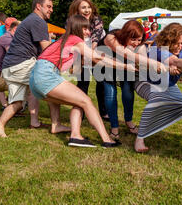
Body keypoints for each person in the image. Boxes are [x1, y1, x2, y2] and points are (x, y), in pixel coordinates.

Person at [30, 15, 134, 147]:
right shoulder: (75, 39)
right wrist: (125, 66)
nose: (88, 32)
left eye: (89, 29)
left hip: (35, 79)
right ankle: (106, 140)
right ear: (77, 27)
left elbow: (86, 61)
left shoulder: (63, 40)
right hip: (46, 75)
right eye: (85, 28)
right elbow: (96, 57)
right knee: (86, 101)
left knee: (78, 101)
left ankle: (58, 127)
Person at [134, 23, 182, 153]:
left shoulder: (180, 50)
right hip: (146, 83)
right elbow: (176, 62)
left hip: (168, 86)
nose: (180, 47)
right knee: (157, 99)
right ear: (169, 40)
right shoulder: (158, 48)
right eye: (177, 43)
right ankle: (140, 139)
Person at [0, 0, 56, 138]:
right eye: (49, 6)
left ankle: (0, 127)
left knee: (18, 102)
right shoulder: (38, 21)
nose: (52, 10)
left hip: (11, 66)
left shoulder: (30, 20)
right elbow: (47, 49)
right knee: (50, 86)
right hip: (21, 64)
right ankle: (56, 125)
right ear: (38, 6)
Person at [98, 20, 162, 139]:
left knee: (127, 91)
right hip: (105, 65)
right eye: (133, 39)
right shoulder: (111, 37)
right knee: (110, 93)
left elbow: (142, 61)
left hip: (125, 66)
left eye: (139, 40)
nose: (136, 43)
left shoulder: (139, 44)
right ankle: (114, 127)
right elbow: (127, 54)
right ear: (125, 34)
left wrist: (160, 67)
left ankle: (129, 121)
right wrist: (153, 63)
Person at [68, 0, 108, 121]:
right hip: (80, 53)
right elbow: (72, 39)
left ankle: (103, 111)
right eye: (83, 7)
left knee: (101, 83)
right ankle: (81, 111)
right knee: (83, 84)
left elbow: (95, 38)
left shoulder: (97, 20)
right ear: (77, 10)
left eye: (88, 7)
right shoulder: (72, 21)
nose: (87, 10)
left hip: (97, 51)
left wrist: (91, 54)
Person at [0, 17, 20, 109]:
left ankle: (8, 105)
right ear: (15, 29)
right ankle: (15, 107)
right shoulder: (8, 39)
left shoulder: (5, 36)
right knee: (28, 82)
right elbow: (13, 55)